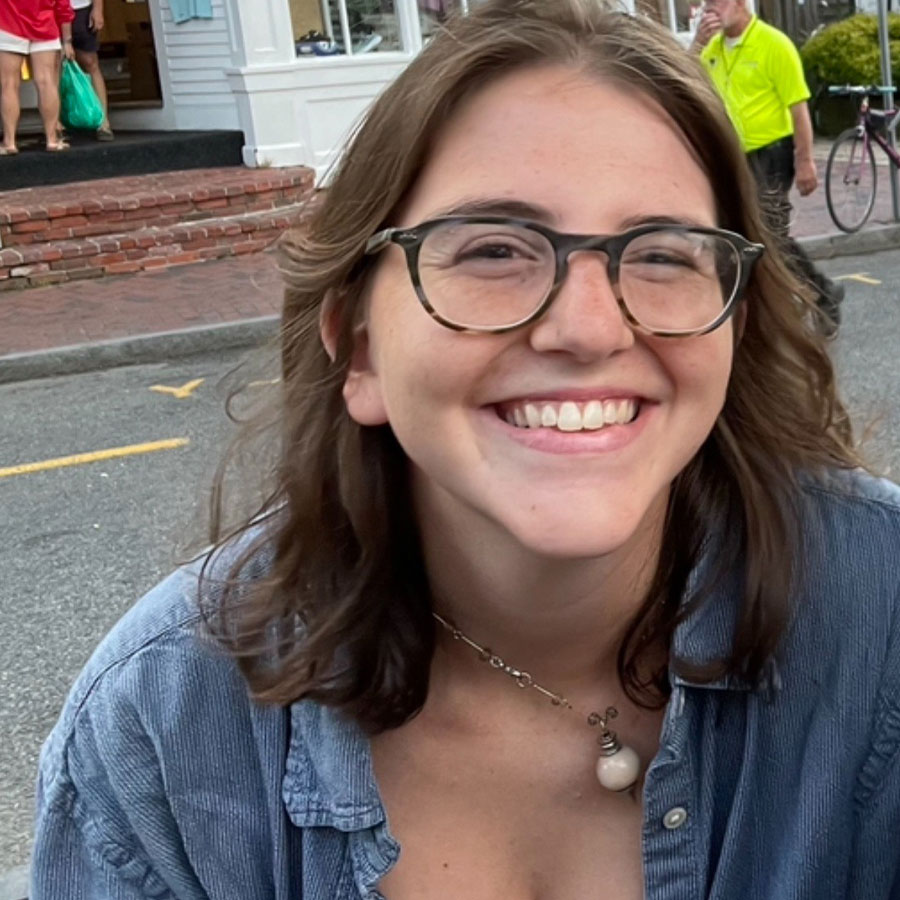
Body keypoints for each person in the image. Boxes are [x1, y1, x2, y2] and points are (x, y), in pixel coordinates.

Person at [30, 1, 900, 897]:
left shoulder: (882, 620)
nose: (589, 328)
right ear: (358, 346)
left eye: (662, 254)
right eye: (493, 249)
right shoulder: (162, 729)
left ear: (732, 325)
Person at [691, 0, 844, 337]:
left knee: (769, 234)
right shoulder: (713, 48)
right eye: (705, 3)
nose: (709, 9)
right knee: (742, 233)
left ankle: (821, 295)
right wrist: (697, 44)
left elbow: (799, 107)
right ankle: (783, 304)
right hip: (736, 155)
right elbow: (683, 84)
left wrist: (805, 162)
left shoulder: (774, 44)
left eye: (716, 1)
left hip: (772, 153)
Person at [0, 0, 73, 153]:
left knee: (9, 84)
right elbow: (63, 5)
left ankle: (10, 142)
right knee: (47, 82)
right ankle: (52, 139)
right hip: (45, 24)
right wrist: (67, 39)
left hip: (8, 23)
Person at [69, 0, 113, 140]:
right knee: (54, 66)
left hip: (81, 8)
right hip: (51, 10)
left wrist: (97, 8)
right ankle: (56, 126)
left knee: (90, 62)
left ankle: (103, 122)